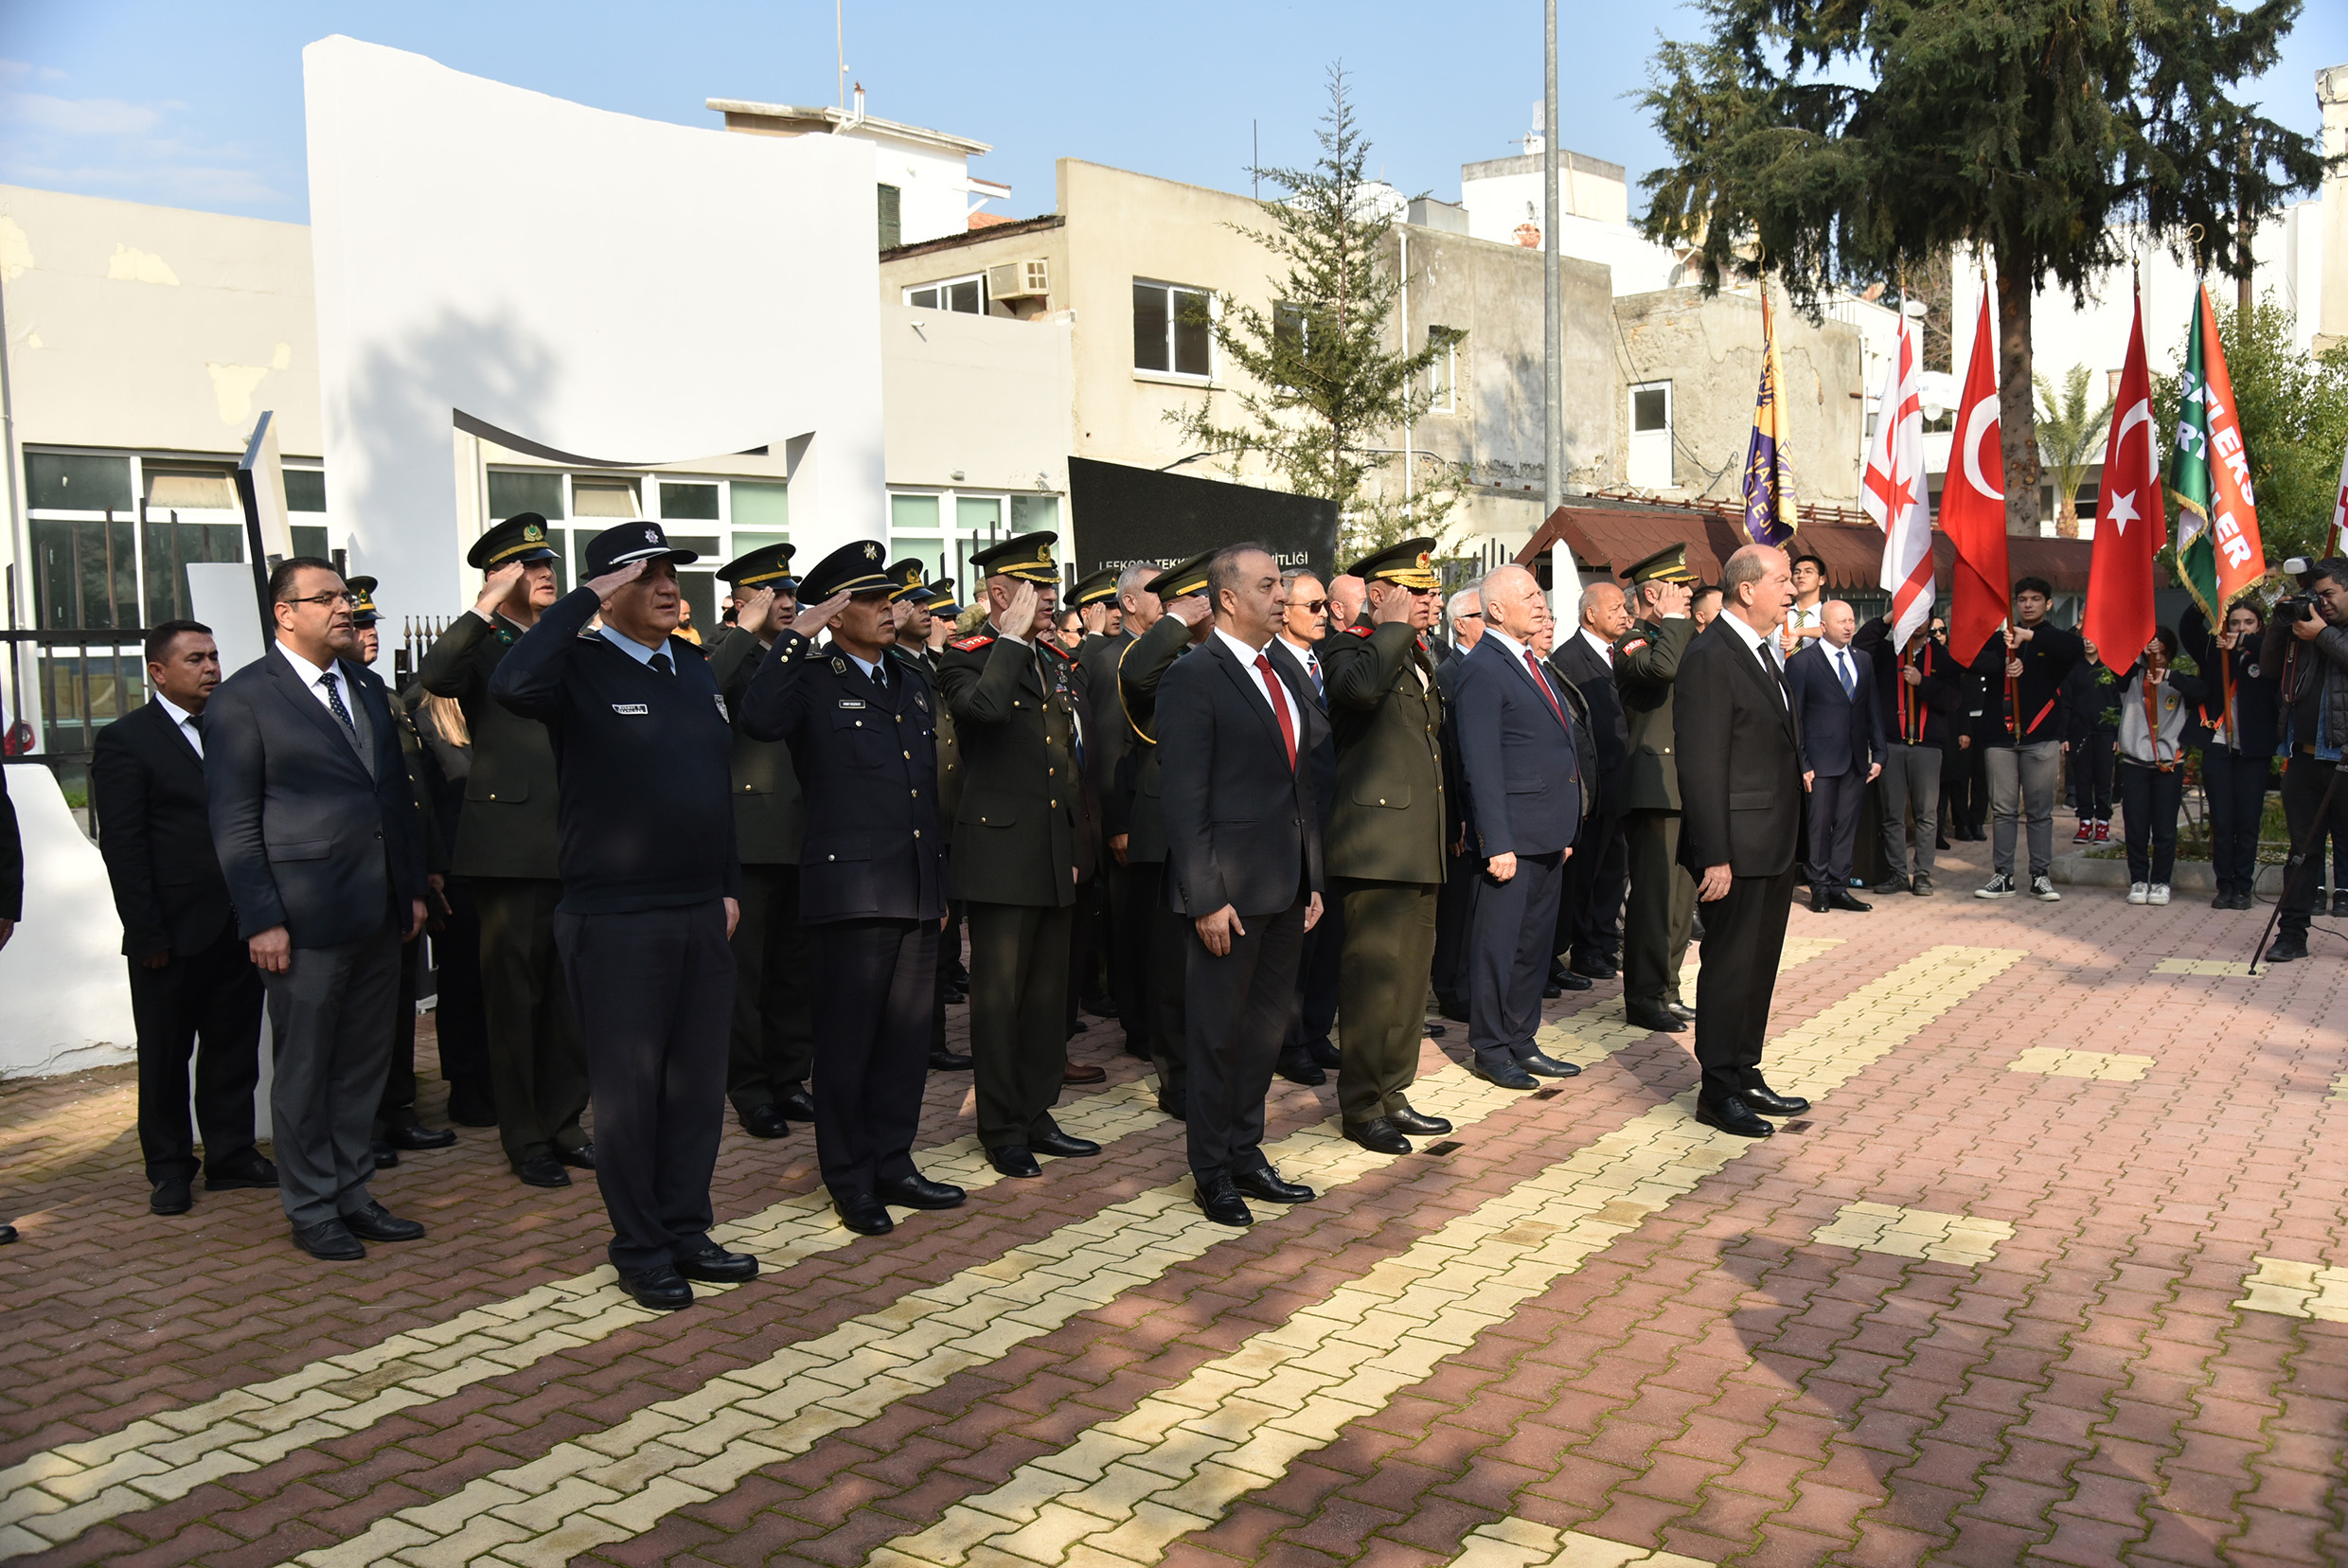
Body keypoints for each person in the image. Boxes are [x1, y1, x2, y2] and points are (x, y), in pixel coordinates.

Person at [489, 521, 754, 1310]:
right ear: (608, 592)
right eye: (647, 577)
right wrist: (580, 601)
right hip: (616, 917)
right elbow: (510, 684)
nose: (669, 587)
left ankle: (685, 1228)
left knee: (696, 1089)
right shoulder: (575, 665)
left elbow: (714, 789)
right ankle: (640, 1248)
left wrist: (728, 884)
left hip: (699, 910)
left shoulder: (692, 668)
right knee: (632, 1095)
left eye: (672, 573)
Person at [206, 558, 429, 1260]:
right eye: (327, 598)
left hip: (377, 909)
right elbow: (234, 823)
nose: (344, 608)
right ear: (285, 613)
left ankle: (353, 1191)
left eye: (345, 597)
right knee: (305, 1069)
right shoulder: (244, 699)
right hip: (302, 920)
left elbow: (391, 797)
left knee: (363, 1063)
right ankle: (311, 1207)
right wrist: (261, 918)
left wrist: (410, 888)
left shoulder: (362, 684)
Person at [741, 538, 963, 1235]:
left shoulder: (909, 679)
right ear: (835, 614)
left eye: (888, 596)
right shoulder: (810, 678)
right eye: (869, 599)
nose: (887, 608)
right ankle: (849, 1177)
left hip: (914, 886)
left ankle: (892, 1161)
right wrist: (794, 637)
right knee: (847, 1045)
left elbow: (925, 790)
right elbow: (758, 719)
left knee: (904, 1043)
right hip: (851, 894)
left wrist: (939, 884)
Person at [418, 513, 593, 1188]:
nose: (546, 574)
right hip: (511, 850)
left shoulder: (567, 640)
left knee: (569, 999)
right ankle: (526, 1138)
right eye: (530, 566)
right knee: (516, 1003)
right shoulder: (484, 643)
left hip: (576, 842)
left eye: (549, 563)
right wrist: (483, 608)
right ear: (499, 577)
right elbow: (435, 676)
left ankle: (565, 1122)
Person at [1157, 544, 1326, 1225]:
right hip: (1228, 894)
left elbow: (1301, 783)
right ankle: (1211, 1170)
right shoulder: (1193, 676)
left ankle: (1245, 1152)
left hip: (1285, 888)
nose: (1282, 595)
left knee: (1263, 1035)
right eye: (1268, 585)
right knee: (1217, 1036)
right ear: (1227, 598)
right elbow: (1184, 800)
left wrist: (1313, 877)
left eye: (1281, 583)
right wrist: (1206, 897)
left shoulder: (1279, 669)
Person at [92, 619, 275, 1218]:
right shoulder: (127, 740)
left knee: (233, 1048)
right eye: (195, 659)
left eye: (215, 656)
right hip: (169, 932)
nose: (211, 668)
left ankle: (231, 1155)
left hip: (238, 921)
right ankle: (169, 1168)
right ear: (158, 672)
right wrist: (146, 930)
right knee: (166, 1056)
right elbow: (124, 846)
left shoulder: (234, 728)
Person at [936, 533, 1097, 1179]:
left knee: (1046, 998)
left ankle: (1036, 1110)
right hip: (1000, 855)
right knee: (1000, 1001)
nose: (1051, 598)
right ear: (1000, 595)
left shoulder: (1052, 658)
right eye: (1037, 588)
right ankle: (1001, 1126)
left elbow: (1065, 762)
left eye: (1052, 587)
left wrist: (1076, 846)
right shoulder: (968, 658)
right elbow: (983, 713)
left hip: (1053, 850)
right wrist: (1007, 641)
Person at [1321, 540, 1453, 1153]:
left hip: (1418, 842)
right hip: (1375, 846)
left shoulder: (1418, 653)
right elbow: (1359, 692)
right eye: (1415, 591)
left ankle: (1394, 1092)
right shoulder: (1349, 648)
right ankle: (1361, 1105)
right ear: (1379, 595)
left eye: (1430, 591)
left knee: (1409, 983)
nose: (1428, 600)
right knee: (1372, 984)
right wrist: (1393, 628)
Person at [1673, 543, 1807, 1138]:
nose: (1793, 590)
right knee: (1730, 969)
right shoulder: (1711, 655)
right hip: (1736, 848)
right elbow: (1702, 764)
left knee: (1759, 968)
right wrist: (1716, 855)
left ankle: (1745, 1071)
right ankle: (1718, 1089)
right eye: (1783, 580)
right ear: (1747, 589)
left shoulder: (1761, 650)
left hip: (1772, 842)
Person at [1450, 563, 1583, 1090]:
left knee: (1534, 947)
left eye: (1539, 594)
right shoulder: (1484, 667)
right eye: (1528, 595)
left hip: (1547, 833)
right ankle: (1490, 1048)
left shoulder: (1531, 661)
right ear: (1496, 609)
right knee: (1498, 948)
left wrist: (1565, 829)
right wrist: (1496, 841)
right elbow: (1480, 763)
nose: (1540, 602)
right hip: (1512, 841)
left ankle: (1521, 1038)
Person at [347, 579, 460, 1167]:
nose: (370, 635)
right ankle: (362, 1124)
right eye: (359, 625)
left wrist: (431, 868)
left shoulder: (387, 698)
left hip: (403, 873)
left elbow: (417, 795)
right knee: (356, 1017)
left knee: (397, 1006)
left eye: (373, 625)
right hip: (355, 877)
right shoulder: (333, 700)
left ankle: (398, 1109)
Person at [706, 544, 817, 1137]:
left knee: (793, 972)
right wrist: (743, 632)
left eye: (791, 592)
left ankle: (789, 1077)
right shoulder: (726, 653)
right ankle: (751, 1090)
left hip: (803, 832)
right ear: (741, 602)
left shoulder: (803, 655)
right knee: (746, 977)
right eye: (771, 594)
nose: (786, 603)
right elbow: (703, 689)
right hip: (750, 836)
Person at [1115, 556, 1217, 1118]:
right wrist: (1176, 622)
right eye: (1196, 600)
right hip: (1167, 830)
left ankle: (1209, 1067)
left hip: (1222, 828)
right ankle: (1176, 1078)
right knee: (1173, 965)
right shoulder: (1159, 657)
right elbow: (1135, 676)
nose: (1208, 608)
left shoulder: (1225, 655)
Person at [1612, 546, 1700, 1036]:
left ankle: (1668, 986)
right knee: (1654, 897)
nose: (1688, 594)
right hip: (1653, 787)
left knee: (1681, 897)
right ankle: (1644, 996)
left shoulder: (1679, 636)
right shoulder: (1633, 642)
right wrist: (1673, 621)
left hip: (1686, 783)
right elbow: (1661, 670)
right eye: (1679, 587)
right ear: (1653, 594)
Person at [1970, 577, 2088, 900]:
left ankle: (2040, 875)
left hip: (2041, 736)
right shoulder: (2001, 639)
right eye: (2022, 599)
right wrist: (2004, 664)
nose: (2028, 604)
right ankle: (2003, 875)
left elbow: (2076, 649)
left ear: (2047, 603)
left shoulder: (2052, 638)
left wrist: (2031, 637)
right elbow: (1971, 661)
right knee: (2004, 810)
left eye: (2035, 599)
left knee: (2039, 811)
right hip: (2000, 737)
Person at [1080, 562, 1157, 1062]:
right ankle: (1140, 1027)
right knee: (1133, 928)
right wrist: (1119, 825)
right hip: (1131, 820)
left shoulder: (1157, 653)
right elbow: (1108, 749)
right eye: (1155, 593)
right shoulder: (1114, 660)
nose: (1165, 602)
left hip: (1156, 816)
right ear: (1128, 602)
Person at [1274, 566, 1343, 1087]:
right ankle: (1289, 1042)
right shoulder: (1272, 665)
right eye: (1313, 607)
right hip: (1297, 823)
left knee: (1329, 936)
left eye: (1325, 606)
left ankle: (1317, 1031)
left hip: (1337, 822)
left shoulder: (1328, 661)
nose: (1324, 615)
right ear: (1284, 613)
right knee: (1298, 940)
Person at [2262, 557, 2348, 963]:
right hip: (2304, 758)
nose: (2322, 603)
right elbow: (2269, 668)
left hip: (2345, 760)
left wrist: (2323, 634)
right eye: (2317, 595)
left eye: (2329, 594)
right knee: (2301, 853)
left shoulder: (2322, 631)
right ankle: (2292, 935)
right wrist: (2282, 624)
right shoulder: (2306, 628)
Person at [1551, 580, 1633, 988]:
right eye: (1615, 608)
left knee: (1615, 869)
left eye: (1625, 608)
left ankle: (1603, 940)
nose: (1625, 616)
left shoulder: (1626, 653)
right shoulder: (1568, 659)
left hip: (1624, 782)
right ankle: (1583, 948)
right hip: (1592, 785)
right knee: (1587, 871)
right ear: (1591, 614)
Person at [1786, 600, 1884, 913]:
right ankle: (1819, 888)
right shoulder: (1803, 663)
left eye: (1851, 620)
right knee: (1819, 826)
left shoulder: (1863, 659)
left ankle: (1839, 886)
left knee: (1846, 826)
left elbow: (1872, 708)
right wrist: (1803, 762)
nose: (1848, 626)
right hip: (1820, 761)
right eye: (1841, 621)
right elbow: (1795, 717)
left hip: (1855, 759)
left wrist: (1879, 752)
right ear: (1823, 626)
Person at [2181, 600, 2280, 910]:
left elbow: (2278, 650)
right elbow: (2188, 630)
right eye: (2234, 622)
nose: (2240, 628)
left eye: (2248, 622)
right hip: (2218, 745)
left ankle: (2243, 887)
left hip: (2253, 750)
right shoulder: (2215, 651)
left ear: (2259, 625)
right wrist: (2202, 601)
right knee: (2222, 821)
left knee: (2247, 822)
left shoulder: (2266, 653)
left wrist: (2246, 642)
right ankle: (2224, 885)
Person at [1851, 610, 1955, 896]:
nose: (1916, 623)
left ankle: (1922, 874)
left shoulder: (1941, 656)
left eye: (1921, 616)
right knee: (1892, 814)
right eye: (1910, 614)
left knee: (1926, 814)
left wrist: (1924, 683)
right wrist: (1887, 619)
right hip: (1892, 743)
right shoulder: (1888, 651)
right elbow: (1860, 644)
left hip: (1927, 745)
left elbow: (1953, 699)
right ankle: (1898, 873)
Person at [2112, 629, 2206, 906]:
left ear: (2171, 654)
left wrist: (2168, 676)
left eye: (2162, 653)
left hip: (2168, 764)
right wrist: (2139, 645)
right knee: (2136, 826)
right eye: (2152, 651)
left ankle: (2162, 882)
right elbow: (2117, 658)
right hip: (2136, 763)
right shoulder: (2131, 678)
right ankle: (2139, 880)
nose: (2156, 657)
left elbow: (2201, 691)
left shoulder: (2177, 681)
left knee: (2165, 828)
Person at [1430, 580, 1486, 1018]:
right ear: (1461, 625)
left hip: (1481, 806)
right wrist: (1457, 816)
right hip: (1460, 808)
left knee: (1475, 907)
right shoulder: (1448, 674)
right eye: (1481, 615)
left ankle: (1468, 981)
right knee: (1456, 909)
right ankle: (1452, 987)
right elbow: (1450, 752)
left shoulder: (1483, 667)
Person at [2061, 656, 2119, 845]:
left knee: (2104, 780)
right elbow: (2065, 704)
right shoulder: (2074, 669)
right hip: (2080, 733)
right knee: (2082, 781)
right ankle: (2084, 822)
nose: (2088, 643)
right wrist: (2064, 736)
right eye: (2085, 641)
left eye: (2092, 641)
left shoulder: (2110, 669)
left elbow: (2118, 703)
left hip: (2105, 733)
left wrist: (2117, 735)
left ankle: (2103, 822)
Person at [1781, 551, 1827, 651]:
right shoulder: (1782, 613)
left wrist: (1800, 632)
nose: (1801, 576)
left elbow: (1834, 631)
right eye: (1797, 572)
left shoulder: (1827, 614)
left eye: (1808, 572)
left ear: (1822, 579)